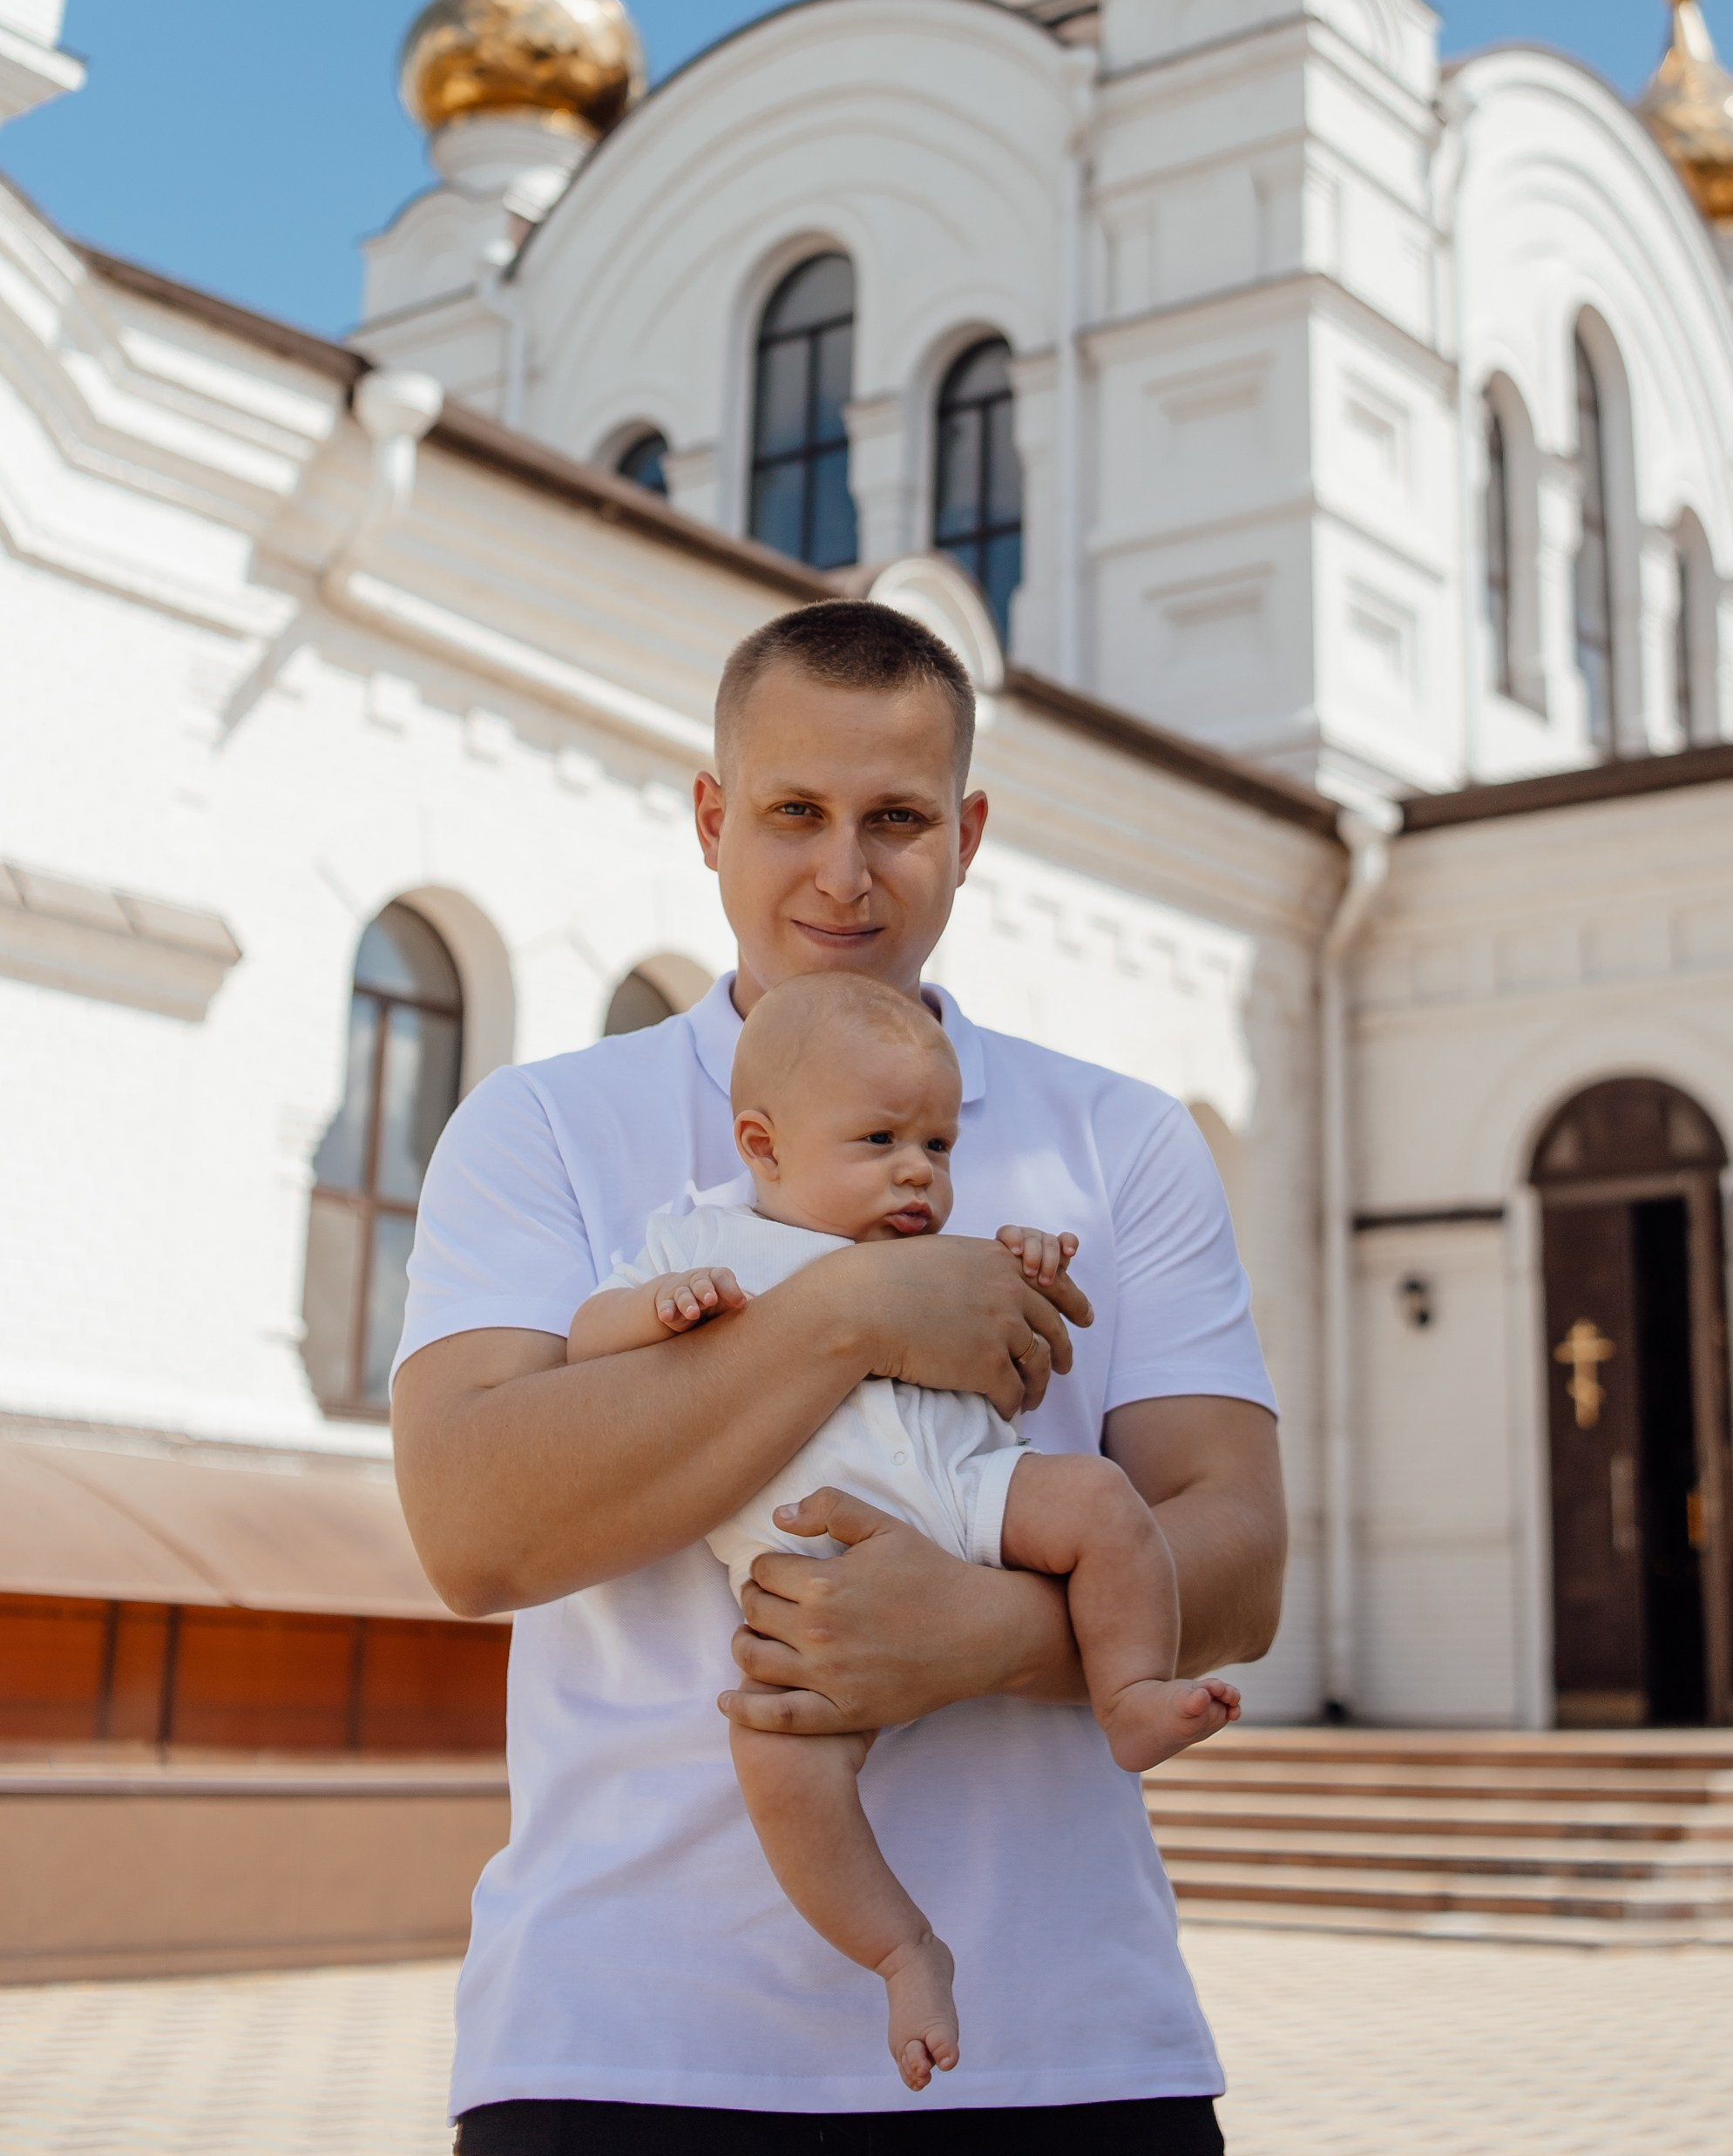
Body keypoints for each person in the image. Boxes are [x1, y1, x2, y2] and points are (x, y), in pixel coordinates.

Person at [392, 598, 1288, 2149]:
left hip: (1064, 2046)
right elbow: (473, 1531)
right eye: (794, 812)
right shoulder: (543, 1127)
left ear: (968, 834)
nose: (844, 873)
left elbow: (1243, 1553)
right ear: (712, 820)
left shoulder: (1122, 1141)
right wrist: (858, 1309)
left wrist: (982, 1638)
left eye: (899, 819)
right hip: (624, 2045)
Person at [567, 971, 1242, 2093]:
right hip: (811, 1580)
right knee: (777, 1762)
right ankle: (901, 1951)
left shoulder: (949, 1255)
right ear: (763, 1145)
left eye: (937, 1143)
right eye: (880, 1140)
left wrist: (1032, 1269)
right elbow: (588, 1342)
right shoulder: (703, 1240)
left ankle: (1128, 1694)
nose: (918, 1170)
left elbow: (1021, 1366)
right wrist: (657, 1310)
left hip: (973, 1493)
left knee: (1102, 1502)